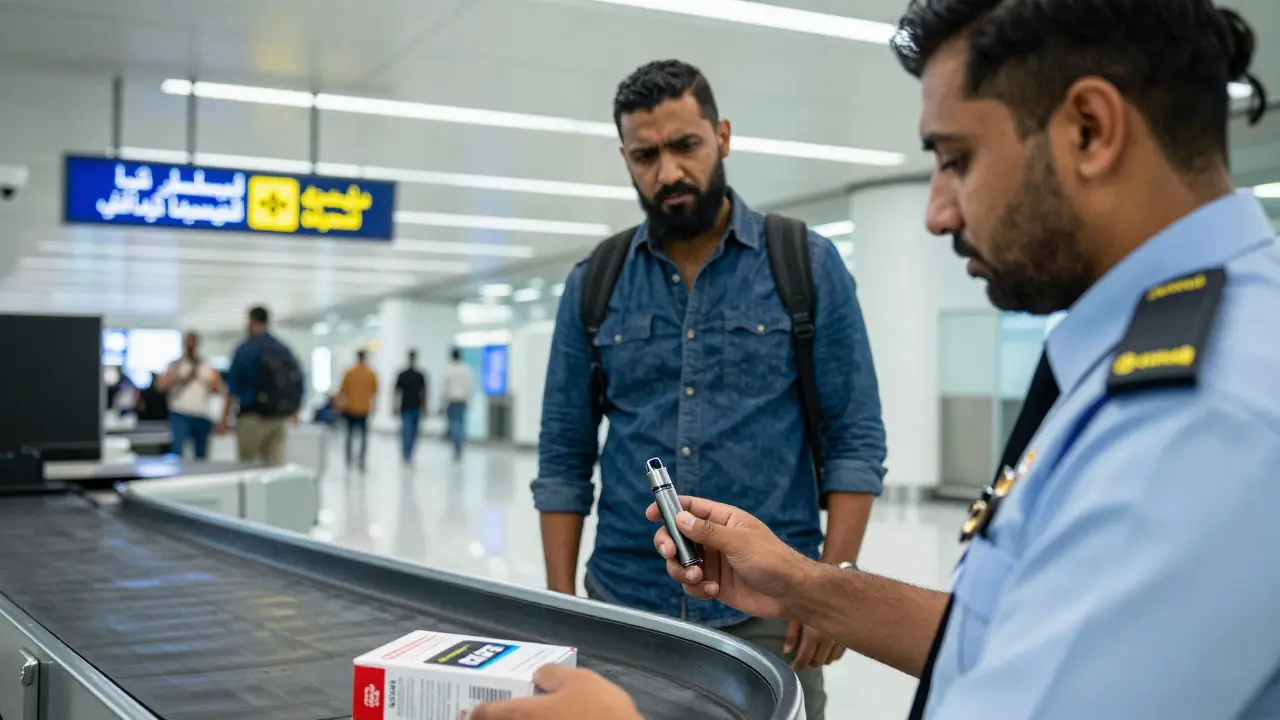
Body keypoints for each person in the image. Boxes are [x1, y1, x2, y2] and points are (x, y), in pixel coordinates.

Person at [475, 1, 1280, 719]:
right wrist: (811, 586)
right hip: (634, 593)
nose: (935, 211)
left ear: (1090, 130)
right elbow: (1002, 635)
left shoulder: (1211, 415)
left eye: (956, 157)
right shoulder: (1146, 358)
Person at [530, 59, 886, 719]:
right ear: (625, 158)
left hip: (771, 614)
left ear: (722, 136)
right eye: (645, 155)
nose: (667, 172)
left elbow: (855, 438)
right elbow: (564, 455)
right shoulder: (595, 281)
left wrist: (830, 589)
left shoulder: (804, 264)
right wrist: (562, 612)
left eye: (685, 146)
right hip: (623, 606)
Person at [219, 306, 304, 465]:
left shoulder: (245, 349)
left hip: (251, 417)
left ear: (251, 321)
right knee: (274, 470)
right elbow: (297, 379)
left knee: (248, 467)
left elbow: (233, 386)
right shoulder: (282, 348)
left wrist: (224, 417)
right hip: (278, 419)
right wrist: (295, 410)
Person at [156, 331, 222, 460]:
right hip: (180, 413)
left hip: (201, 414)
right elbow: (161, 385)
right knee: (177, 450)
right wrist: (179, 379)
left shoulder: (206, 366)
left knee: (201, 454)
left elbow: (218, 389)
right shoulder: (175, 365)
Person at [337, 349, 378, 471]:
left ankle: (349, 460)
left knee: (349, 435)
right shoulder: (371, 373)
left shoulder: (349, 372)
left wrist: (340, 406)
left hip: (350, 408)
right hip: (364, 409)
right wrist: (373, 407)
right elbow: (374, 393)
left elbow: (342, 391)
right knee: (363, 436)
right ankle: (361, 460)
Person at [395, 349, 429, 466]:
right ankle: (406, 455)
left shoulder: (419, 375)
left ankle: (409, 454)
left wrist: (424, 406)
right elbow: (397, 392)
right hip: (407, 407)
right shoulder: (403, 375)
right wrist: (395, 406)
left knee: (413, 433)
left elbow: (424, 392)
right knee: (406, 432)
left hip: (415, 407)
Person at [441, 348, 474, 462]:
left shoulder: (448, 370)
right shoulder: (466, 370)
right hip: (462, 400)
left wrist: (442, 401)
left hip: (451, 400)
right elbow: (470, 386)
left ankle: (457, 448)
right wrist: (467, 398)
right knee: (460, 424)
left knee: (454, 424)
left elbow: (444, 387)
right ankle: (459, 448)